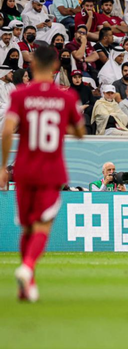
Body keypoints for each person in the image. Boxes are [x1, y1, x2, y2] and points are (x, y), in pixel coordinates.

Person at [0, 47, 84, 303]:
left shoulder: (20, 95)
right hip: (51, 169)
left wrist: (3, 167)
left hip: (24, 168)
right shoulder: (66, 97)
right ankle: (27, 268)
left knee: (27, 227)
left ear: (33, 65)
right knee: (43, 225)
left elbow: (7, 131)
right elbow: (80, 132)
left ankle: (27, 285)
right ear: (56, 66)